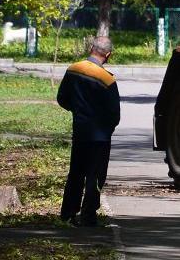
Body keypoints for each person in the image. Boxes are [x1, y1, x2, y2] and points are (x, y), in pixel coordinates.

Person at [57, 35, 120, 227]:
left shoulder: (73, 69)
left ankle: (68, 213)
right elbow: (114, 114)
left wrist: (77, 111)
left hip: (80, 131)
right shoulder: (107, 80)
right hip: (100, 136)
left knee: (75, 173)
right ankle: (88, 216)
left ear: (91, 48)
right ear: (108, 55)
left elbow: (62, 98)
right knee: (95, 175)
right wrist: (107, 128)